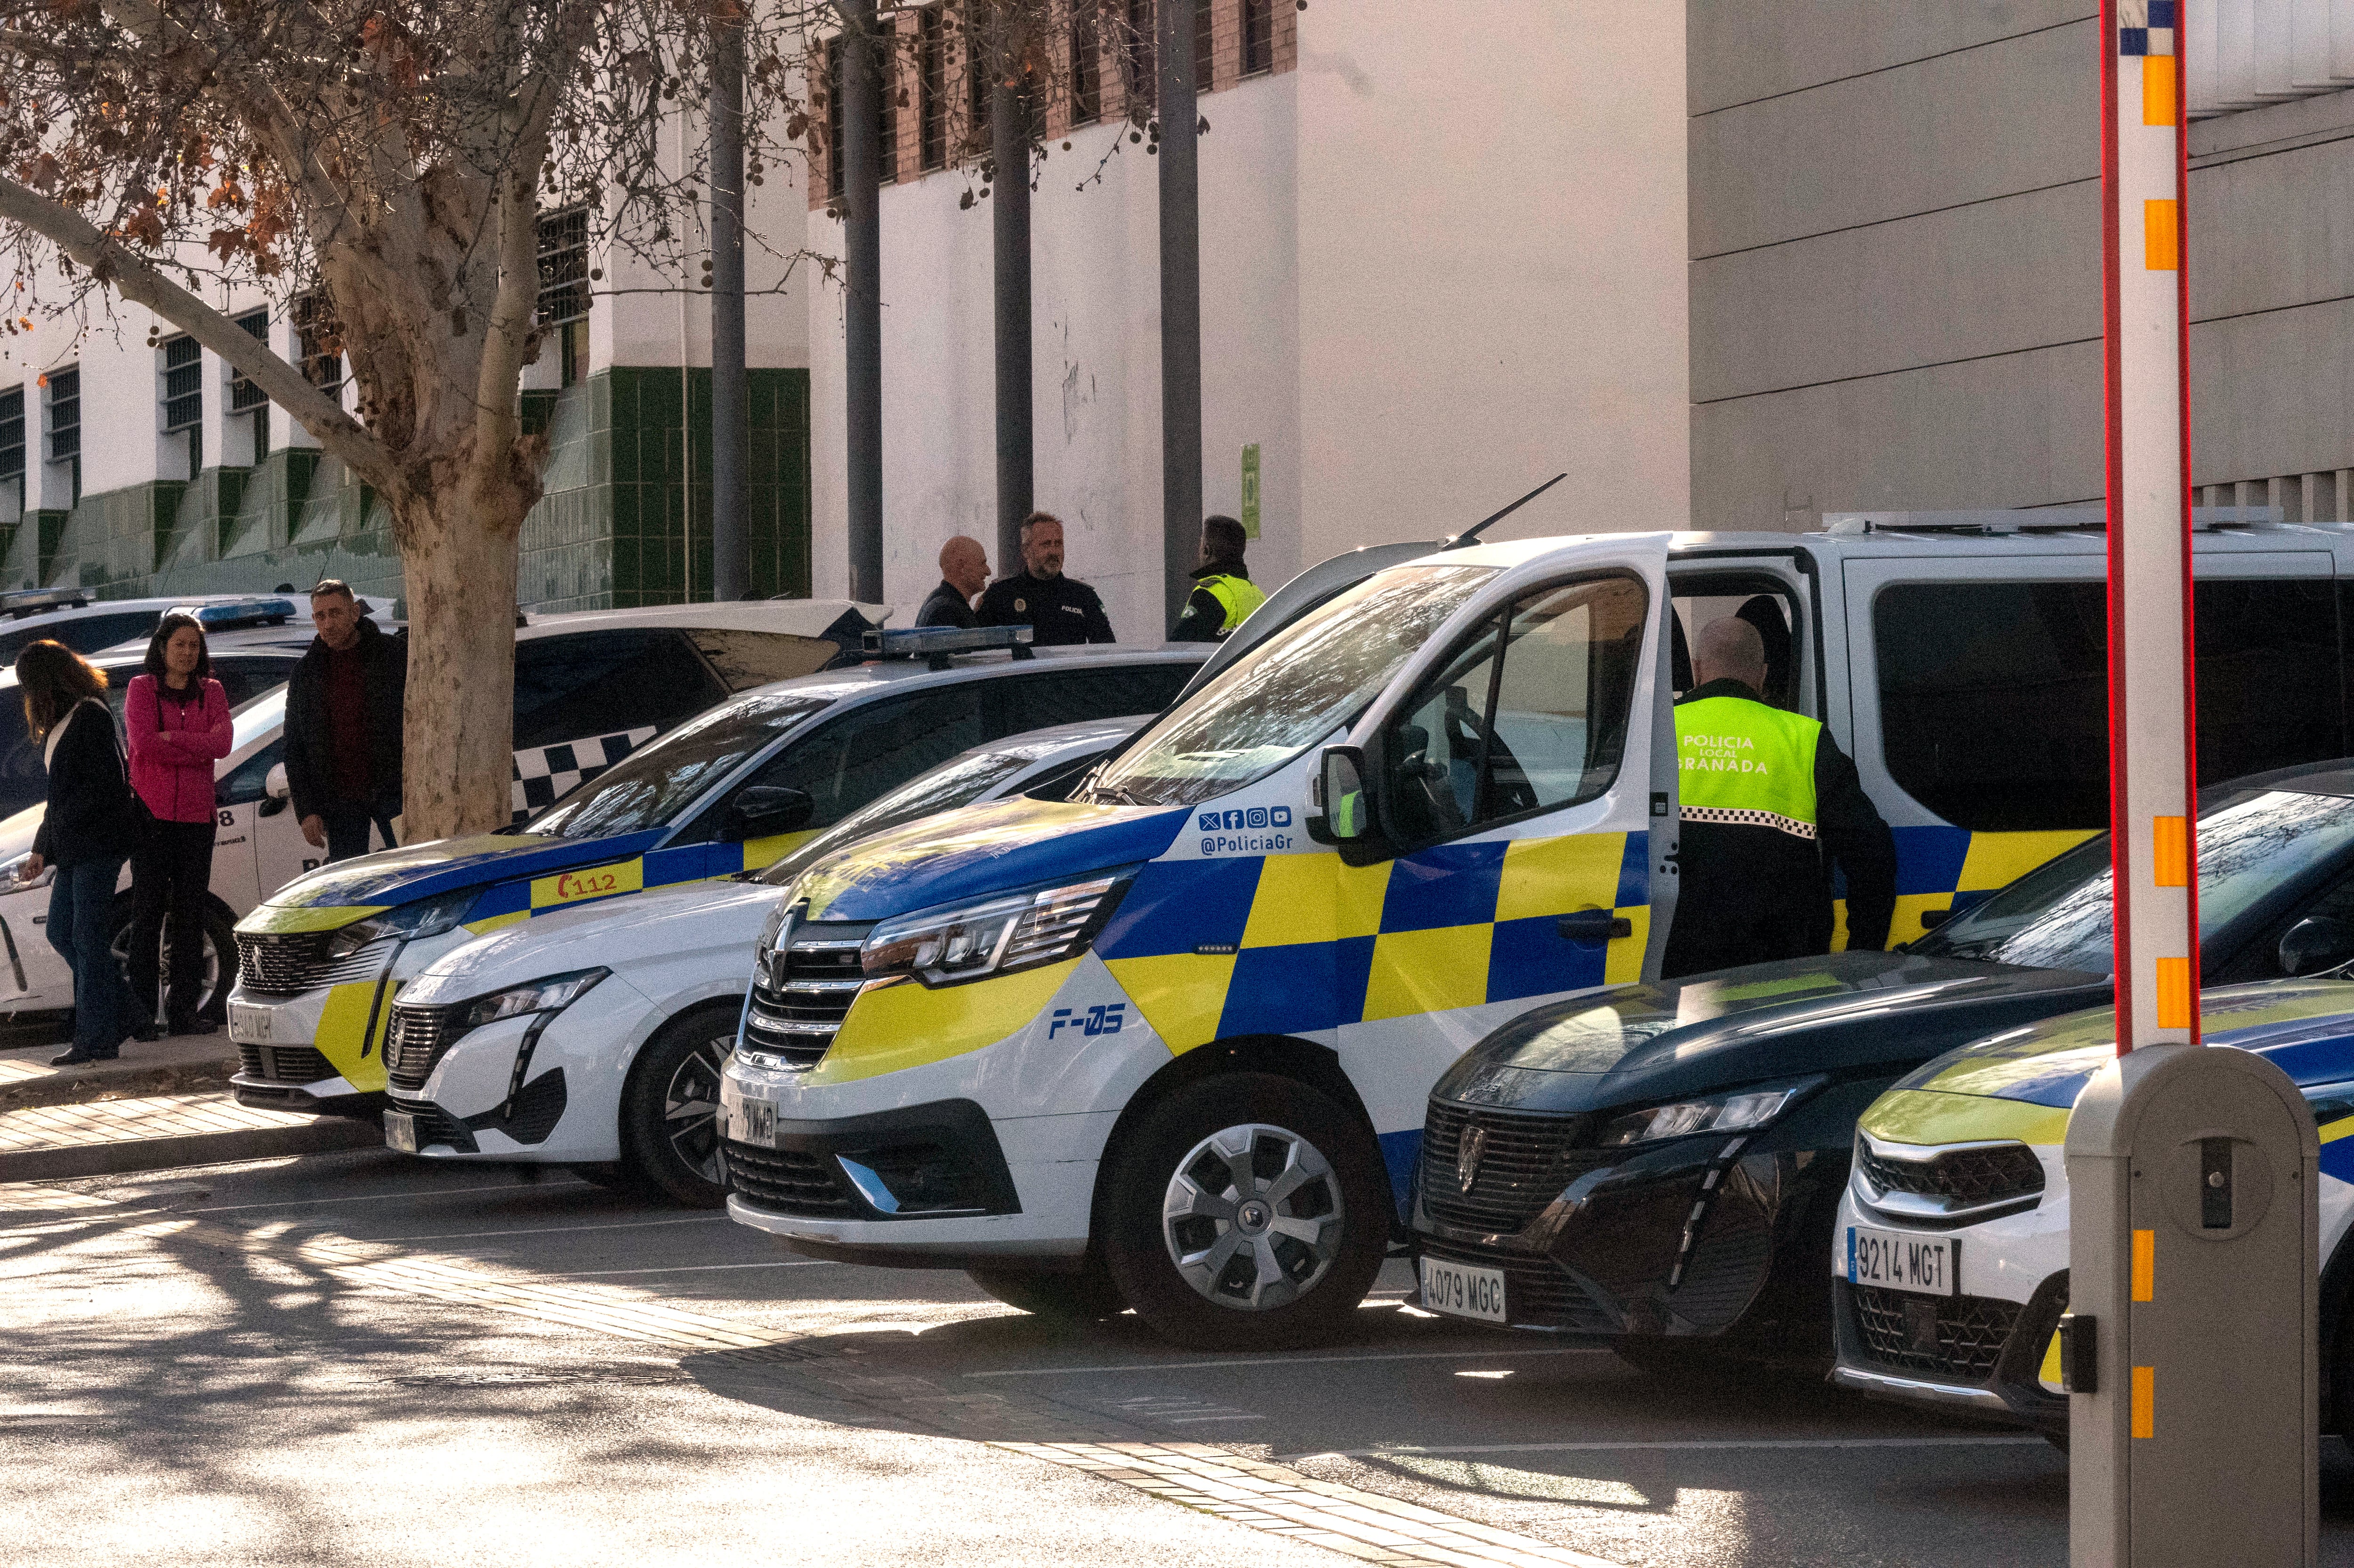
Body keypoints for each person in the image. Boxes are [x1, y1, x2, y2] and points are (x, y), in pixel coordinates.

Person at [1662, 616, 1897, 979]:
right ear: (1763, 674)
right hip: (1785, 983)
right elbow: (1872, 856)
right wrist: (1860, 961)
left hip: (1680, 982)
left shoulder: (1657, 736)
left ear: (1697, 669)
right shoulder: (1805, 739)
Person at [14, 641, 140, 1065]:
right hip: (74, 847)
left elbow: (105, 786)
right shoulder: (64, 721)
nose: (28, 695)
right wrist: (41, 850)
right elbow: (59, 797)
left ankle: (97, 1038)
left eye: (29, 685)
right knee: (63, 934)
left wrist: (61, 830)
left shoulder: (90, 715)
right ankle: (128, 1014)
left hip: (98, 845)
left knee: (85, 937)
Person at [124, 612, 232, 1037]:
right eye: (180, 645)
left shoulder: (213, 691)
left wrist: (176, 739)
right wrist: (193, 746)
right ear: (163, 648)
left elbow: (222, 745)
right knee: (147, 914)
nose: (188, 653)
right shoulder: (140, 689)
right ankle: (142, 1015)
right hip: (151, 818)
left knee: (191, 915)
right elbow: (144, 743)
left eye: (194, 645)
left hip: (196, 818)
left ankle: (185, 1012)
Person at [285, 579, 406, 862]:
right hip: (340, 802)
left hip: (395, 791)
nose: (327, 623)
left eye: (336, 613)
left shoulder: (393, 655)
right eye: (320, 616)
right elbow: (294, 747)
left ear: (355, 613)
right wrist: (307, 810)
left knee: (414, 867)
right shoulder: (306, 673)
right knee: (349, 883)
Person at [976, 512, 1116, 646]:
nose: (1054, 552)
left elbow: (1107, 650)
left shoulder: (1083, 596)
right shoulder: (1001, 594)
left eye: (1059, 544)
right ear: (1026, 551)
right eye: (1046, 544)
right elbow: (978, 649)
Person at [1169, 515, 1265, 642]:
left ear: (1206, 551)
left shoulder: (1208, 595)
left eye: (1201, 543)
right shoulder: (1258, 595)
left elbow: (1180, 648)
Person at [917, 536, 989, 629]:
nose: (988, 571)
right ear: (961, 566)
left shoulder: (944, 604)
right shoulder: (945, 611)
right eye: (982, 564)